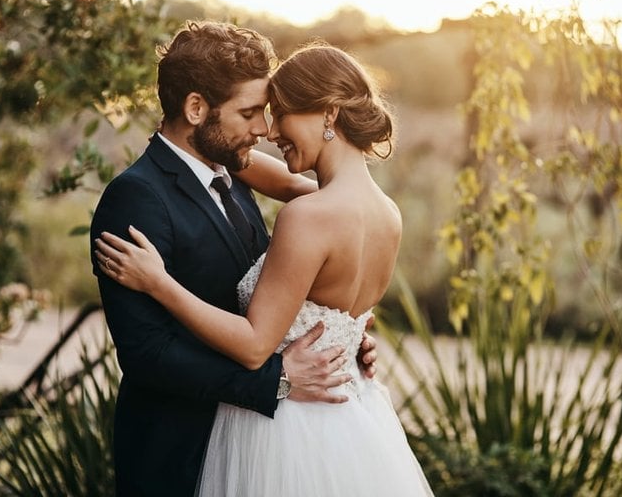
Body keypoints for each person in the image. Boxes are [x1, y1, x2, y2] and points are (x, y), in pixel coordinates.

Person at [95, 43, 434, 496]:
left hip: (281, 437)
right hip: (187, 446)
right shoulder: (138, 196)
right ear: (196, 108)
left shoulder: (267, 188)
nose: (265, 129)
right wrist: (287, 369)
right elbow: (146, 353)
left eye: (274, 112)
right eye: (252, 112)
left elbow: (275, 314)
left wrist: (342, 337)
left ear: (329, 115)